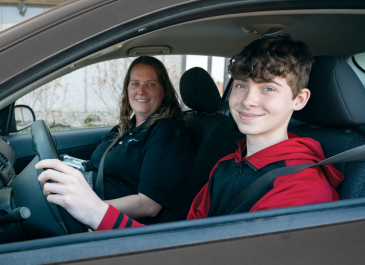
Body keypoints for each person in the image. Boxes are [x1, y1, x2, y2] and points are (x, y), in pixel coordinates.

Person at [37, 34, 344, 231]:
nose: (249, 100)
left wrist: (99, 214)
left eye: (268, 88)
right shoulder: (226, 167)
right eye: (240, 85)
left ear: (299, 99)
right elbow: (186, 242)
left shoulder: (303, 190)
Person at [37, 56, 195, 227]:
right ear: (127, 89)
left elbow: (150, 205)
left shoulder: (167, 133)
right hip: (86, 206)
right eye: (135, 83)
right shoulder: (126, 128)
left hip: (108, 223)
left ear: (163, 91)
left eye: (151, 84)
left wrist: (88, 207)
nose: (141, 90)